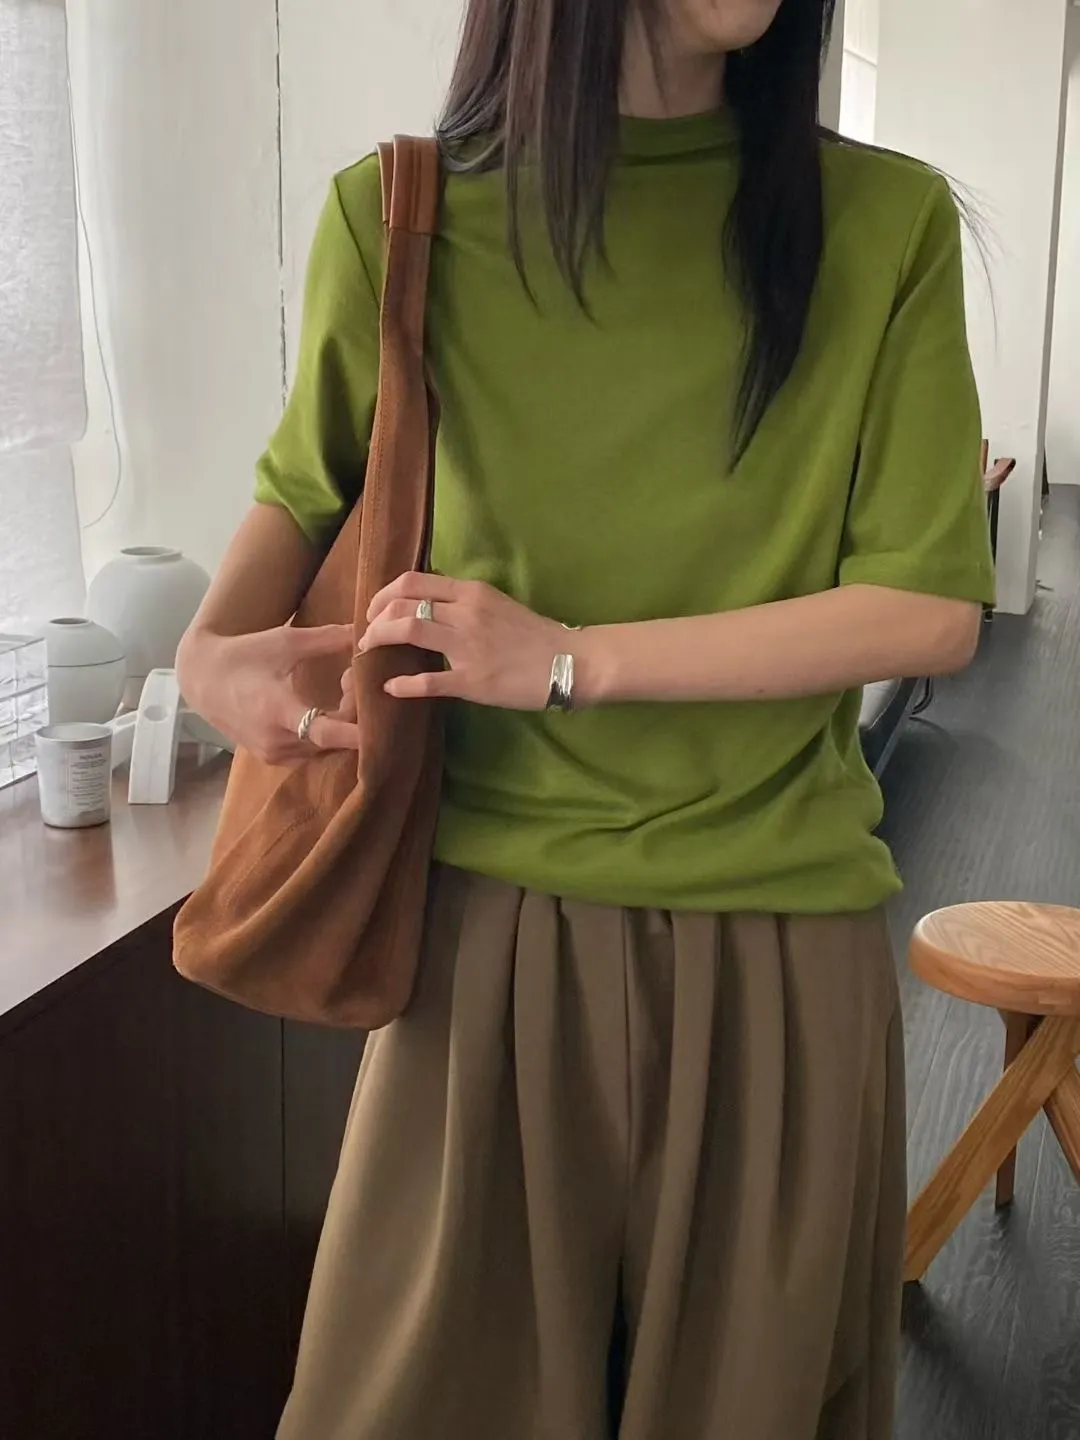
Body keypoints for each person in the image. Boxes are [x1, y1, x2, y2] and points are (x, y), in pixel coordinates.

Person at [178, 0, 996, 1434]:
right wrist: (204, 661)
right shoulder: (400, 216)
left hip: (779, 942)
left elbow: (927, 608)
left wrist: (572, 660)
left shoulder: (885, 224)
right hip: (477, 946)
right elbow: (303, 489)